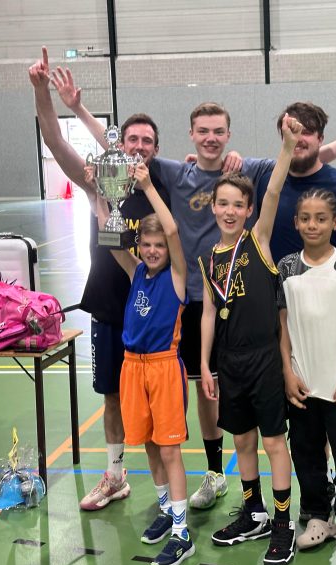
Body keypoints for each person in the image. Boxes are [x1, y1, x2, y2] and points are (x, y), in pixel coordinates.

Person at [55, 77, 276, 508]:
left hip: (224, 299)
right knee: (185, 387)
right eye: (203, 131)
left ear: (228, 134)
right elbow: (121, 150)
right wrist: (78, 110)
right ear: (191, 134)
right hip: (183, 298)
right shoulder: (177, 172)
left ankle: (216, 473)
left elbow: (305, 158)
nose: (210, 138)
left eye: (218, 132)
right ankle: (175, 478)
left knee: (214, 390)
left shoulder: (243, 170)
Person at [29, 48, 169, 511]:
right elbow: (56, 143)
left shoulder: (161, 190)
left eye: (147, 140)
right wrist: (43, 94)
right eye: (132, 139)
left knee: (156, 408)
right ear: (119, 145)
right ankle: (115, 476)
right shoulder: (99, 185)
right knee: (111, 397)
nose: (140, 146)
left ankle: (171, 494)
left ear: (155, 149)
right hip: (109, 309)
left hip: (153, 316)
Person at [257, 102, 336, 538]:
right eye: (291, 131)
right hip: (290, 323)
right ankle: (319, 506)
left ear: (320, 137)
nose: (300, 139)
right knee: (307, 428)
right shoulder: (268, 180)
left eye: (307, 131)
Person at [198, 115, 302, 565]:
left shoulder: (257, 240)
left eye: (237, 205)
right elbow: (208, 313)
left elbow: (274, 191)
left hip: (264, 359)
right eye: (222, 203)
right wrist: (205, 364)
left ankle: (282, 524)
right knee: (242, 441)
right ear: (213, 207)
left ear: (248, 210)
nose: (229, 211)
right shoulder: (209, 260)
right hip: (229, 362)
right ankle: (254, 512)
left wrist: (287, 147)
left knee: (274, 443)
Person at [94, 162, 192, 565]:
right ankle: (166, 509)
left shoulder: (177, 276)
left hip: (163, 368)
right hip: (132, 368)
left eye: (159, 246)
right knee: (150, 444)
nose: (153, 250)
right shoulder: (136, 272)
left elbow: (173, 230)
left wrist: (148, 186)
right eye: (147, 244)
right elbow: (110, 237)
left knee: (169, 449)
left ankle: (182, 533)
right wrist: (96, 193)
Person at [277, 189, 336, 563]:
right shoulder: (287, 267)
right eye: (305, 218)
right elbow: (283, 325)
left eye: (320, 218)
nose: (312, 225)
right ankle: (319, 515)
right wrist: (287, 371)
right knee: (305, 453)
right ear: (295, 222)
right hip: (302, 383)